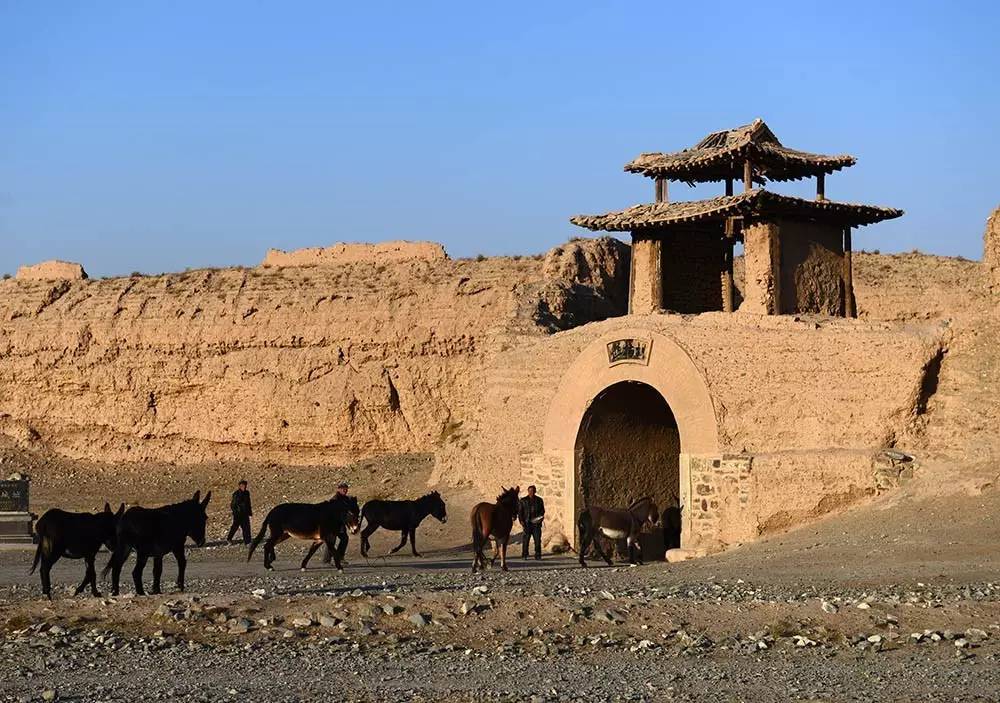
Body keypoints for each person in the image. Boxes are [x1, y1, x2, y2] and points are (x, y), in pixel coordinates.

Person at [518, 485, 545, 560]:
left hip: (536, 524)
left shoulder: (539, 500)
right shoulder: (523, 500)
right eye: (530, 491)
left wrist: (540, 518)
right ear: (528, 491)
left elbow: (542, 511)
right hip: (527, 523)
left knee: (537, 540)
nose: (531, 492)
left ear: (535, 491)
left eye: (532, 491)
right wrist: (521, 521)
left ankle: (538, 554)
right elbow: (520, 512)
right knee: (526, 540)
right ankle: (524, 554)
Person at [227, 480, 253, 544]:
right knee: (235, 527)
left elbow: (248, 503)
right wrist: (236, 512)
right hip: (238, 514)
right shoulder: (236, 494)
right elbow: (233, 505)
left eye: (245, 486)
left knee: (246, 527)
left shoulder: (247, 493)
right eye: (242, 486)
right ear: (239, 486)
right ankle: (229, 538)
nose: (244, 487)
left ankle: (247, 541)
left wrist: (249, 512)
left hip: (245, 513)